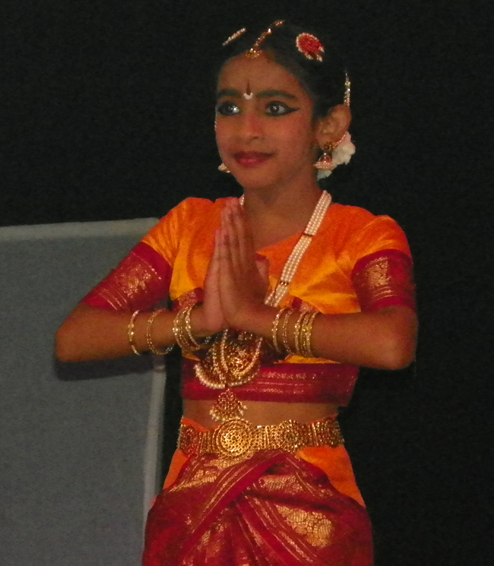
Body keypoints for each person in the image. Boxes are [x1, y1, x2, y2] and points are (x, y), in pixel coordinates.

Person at [56, 19, 417, 566]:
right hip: (192, 508)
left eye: (275, 108)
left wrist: (255, 315)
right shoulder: (189, 226)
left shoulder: (362, 234)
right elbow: (75, 338)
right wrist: (194, 324)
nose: (246, 129)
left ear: (329, 125)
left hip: (308, 512)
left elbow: (393, 344)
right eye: (229, 107)